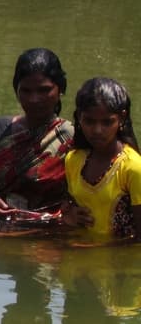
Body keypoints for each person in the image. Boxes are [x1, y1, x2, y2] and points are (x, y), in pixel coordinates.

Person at [0, 48, 74, 217]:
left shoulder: (71, 137)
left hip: (48, 230)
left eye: (44, 90)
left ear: (60, 90)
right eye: (26, 91)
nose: (34, 99)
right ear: (16, 91)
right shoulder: (1, 130)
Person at [61, 77, 141, 239]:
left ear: (122, 118)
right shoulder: (73, 160)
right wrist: (69, 216)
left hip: (119, 261)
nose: (97, 130)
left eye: (107, 122)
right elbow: (68, 207)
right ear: (79, 118)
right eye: (89, 121)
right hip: (78, 255)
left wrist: (96, 249)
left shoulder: (133, 168)